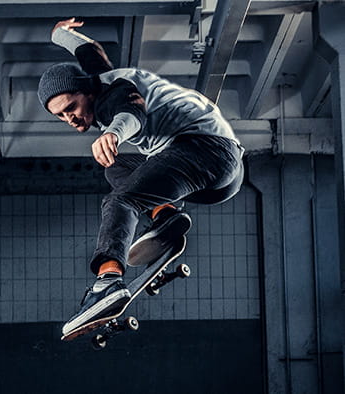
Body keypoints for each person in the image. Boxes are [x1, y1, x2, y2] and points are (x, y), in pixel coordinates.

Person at [38, 18, 245, 336]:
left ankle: (107, 283)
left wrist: (114, 134)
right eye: (62, 116)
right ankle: (165, 216)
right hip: (220, 168)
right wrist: (59, 33)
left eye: (72, 107)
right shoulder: (98, 75)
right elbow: (88, 48)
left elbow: (132, 112)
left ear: (87, 92)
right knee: (116, 166)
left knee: (121, 200)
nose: (72, 118)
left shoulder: (109, 100)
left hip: (206, 151)